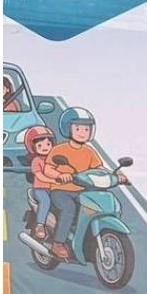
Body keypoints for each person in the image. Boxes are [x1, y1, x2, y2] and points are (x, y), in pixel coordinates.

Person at [46, 106, 103, 262]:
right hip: (61, 191)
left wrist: (117, 175)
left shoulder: (89, 151)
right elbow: (48, 168)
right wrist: (60, 175)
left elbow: (99, 169)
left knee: (96, 207)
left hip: (83, 191)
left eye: (86, 129)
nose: (82, 132)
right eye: (78, 128)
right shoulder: (60, 149)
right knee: (69, 208)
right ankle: (58, 243)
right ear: (68, 128)